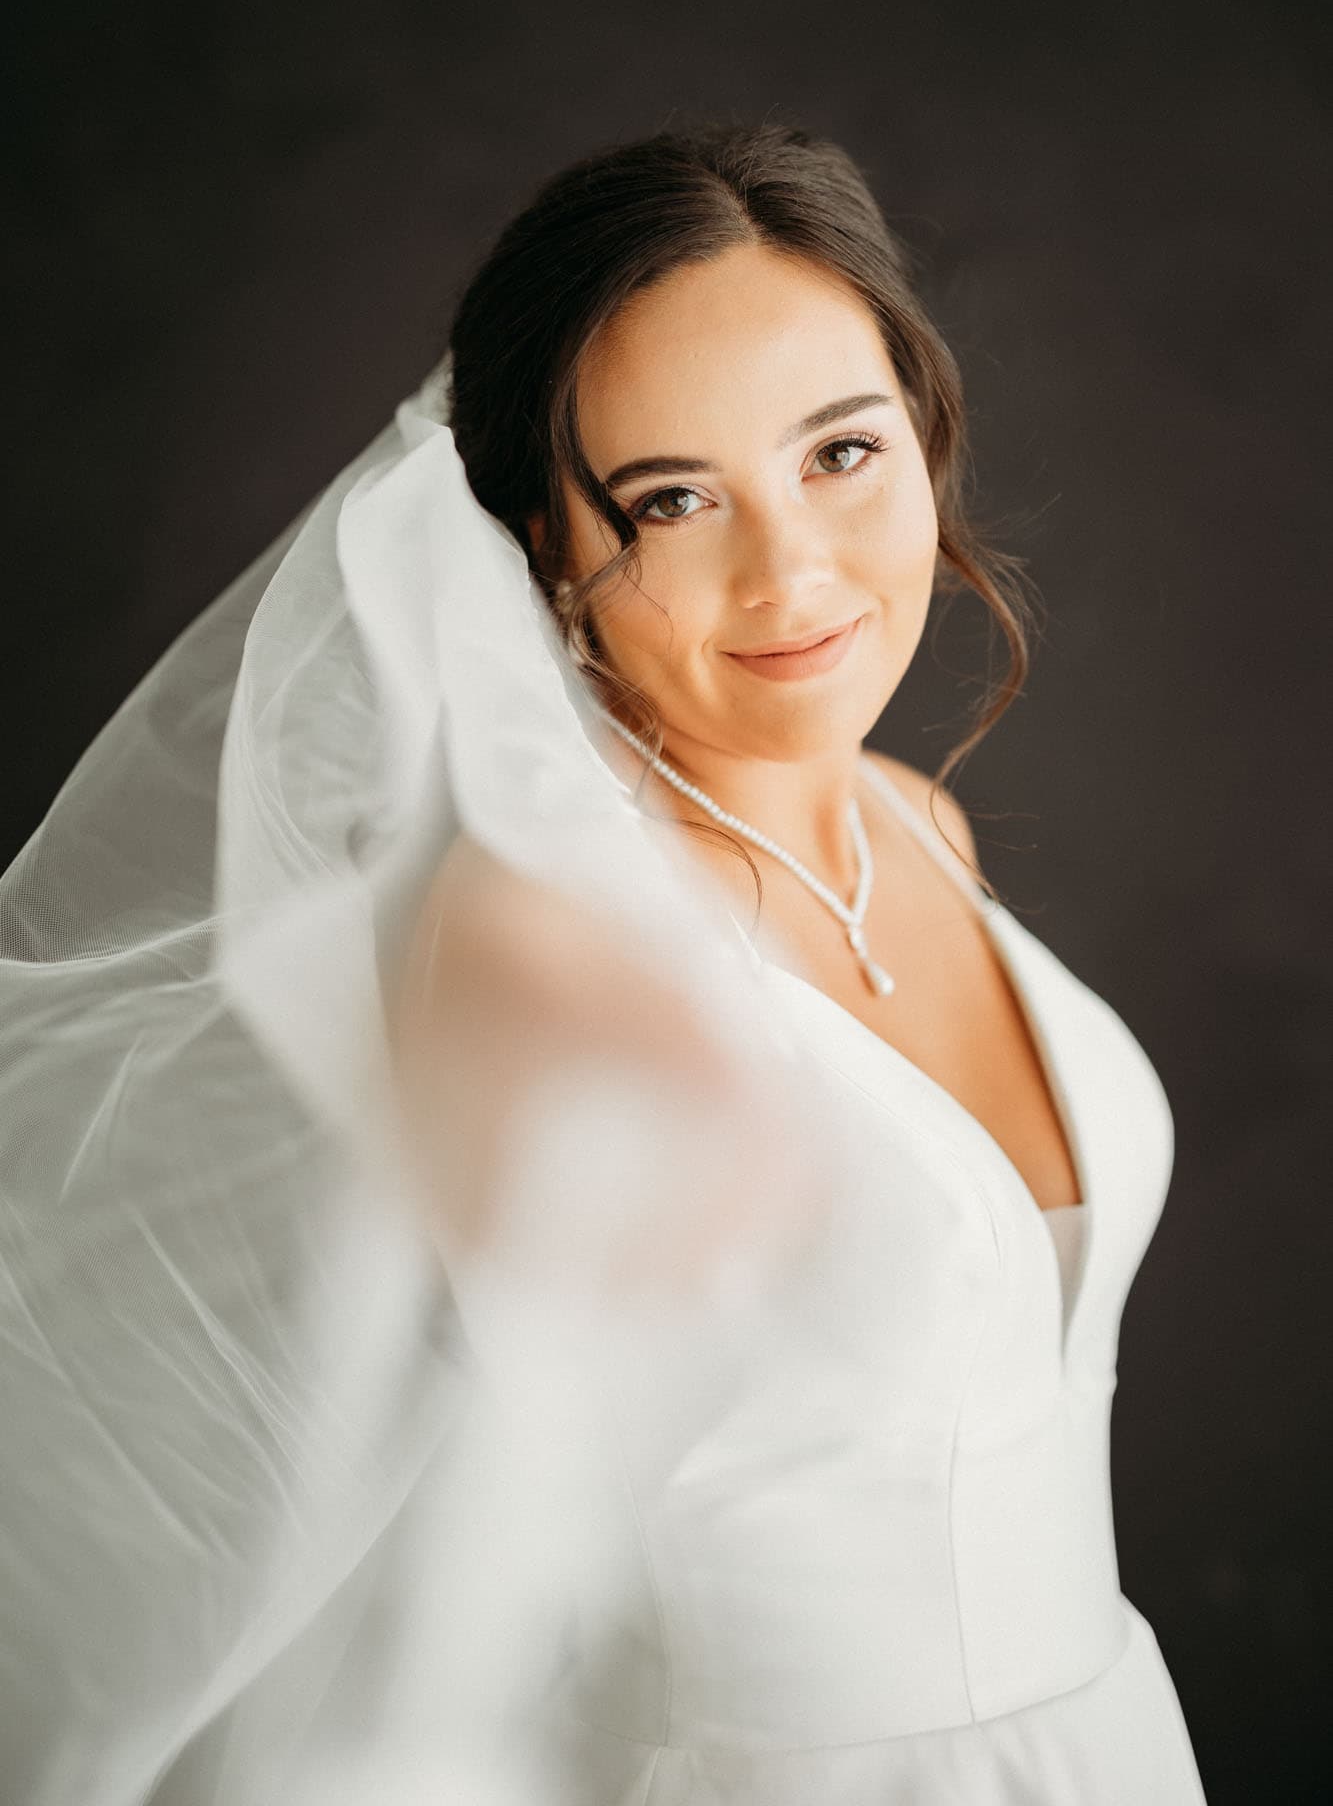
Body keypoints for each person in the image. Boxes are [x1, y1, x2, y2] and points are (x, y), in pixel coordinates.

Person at [0, 119, 1209, 1804]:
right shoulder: (537, 923)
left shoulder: (917, 822)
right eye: (670, 499)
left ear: (924, 435)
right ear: (546, 554)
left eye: (838, 455)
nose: (788, 567)